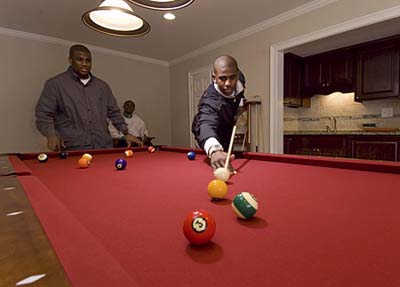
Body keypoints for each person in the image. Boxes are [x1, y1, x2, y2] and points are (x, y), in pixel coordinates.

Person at [35, 44, 142, 151]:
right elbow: (44, 114)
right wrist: (51, 135)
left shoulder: (102, 87)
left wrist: (126, 133)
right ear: (70, 60)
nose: (85, 64)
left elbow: (114, 112)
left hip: (103, 146)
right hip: (73, 148)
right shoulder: (55, 84)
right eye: (80, 60)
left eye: (88, 60)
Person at [192, 55, 246, 170]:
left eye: (232, 77)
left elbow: (239, 93)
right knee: (219, 153)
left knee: (227, 150)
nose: (228, 83)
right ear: (214, 78)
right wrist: (215, 150)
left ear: (237, 74)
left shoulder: (240, 79)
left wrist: (240, 106)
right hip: (207, 129)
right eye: (222, 78)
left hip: (227, 125)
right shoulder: (210, 101)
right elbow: (206, 123)